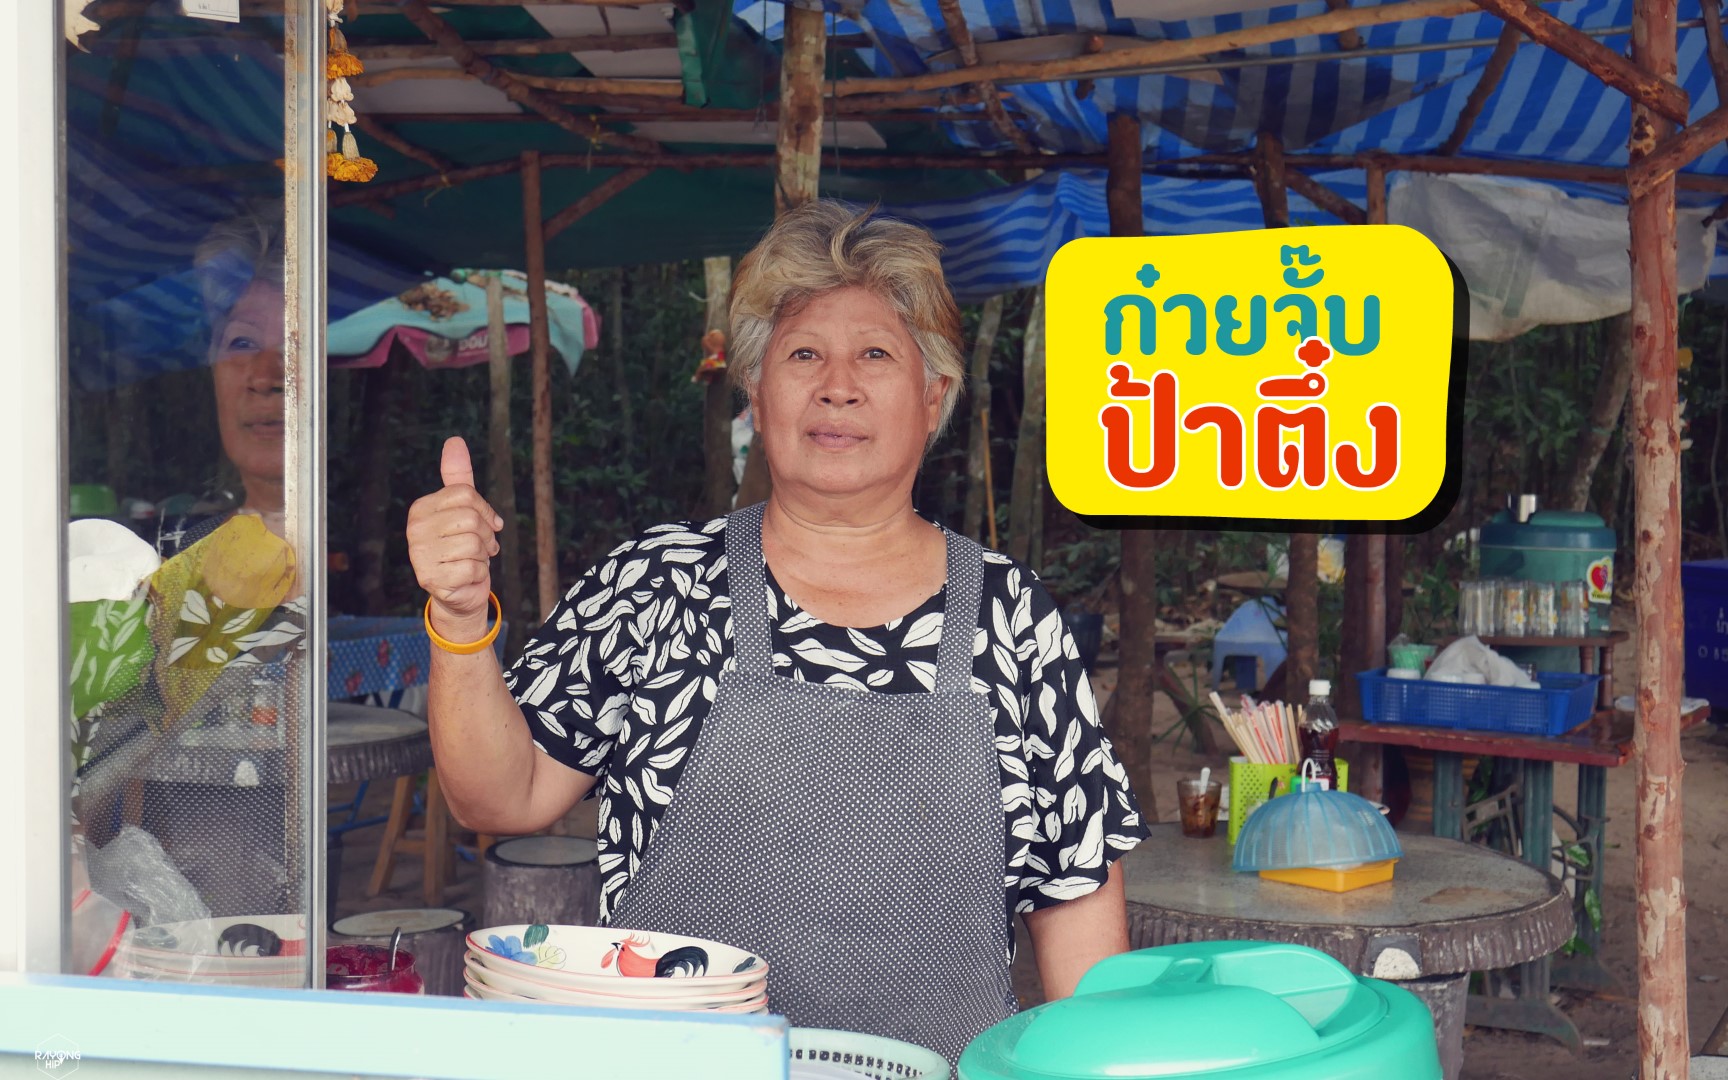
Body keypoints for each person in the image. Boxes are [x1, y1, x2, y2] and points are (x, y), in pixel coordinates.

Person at [408, 200, 1147, 1062]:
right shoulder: (662, 584)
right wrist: (460, 621)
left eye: (875, 354)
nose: (838, 384)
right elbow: (497, 797)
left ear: (933, 393)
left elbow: (1077, 898)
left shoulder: (1012, 619)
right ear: (757, 393)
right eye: (804, 355)